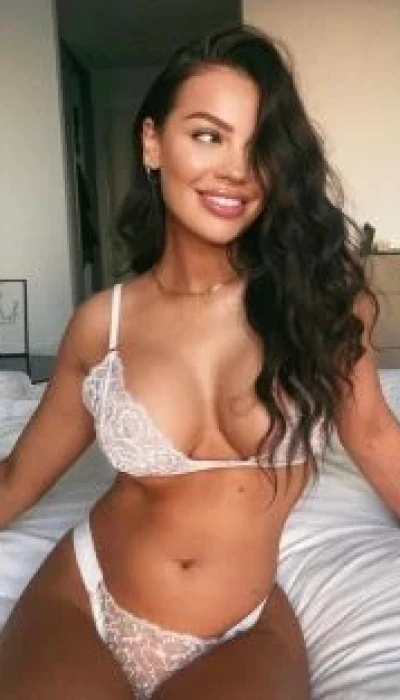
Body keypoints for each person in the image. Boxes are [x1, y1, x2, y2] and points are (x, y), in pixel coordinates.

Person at [1, 23, 399, 700]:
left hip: (243, 625)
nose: (237, 171)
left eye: (259, 146)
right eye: (208, 135)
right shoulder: (103, 324)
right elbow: (16, 478)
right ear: (153, 143)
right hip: (84, 600)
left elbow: (378, 437)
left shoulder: (322, 306)